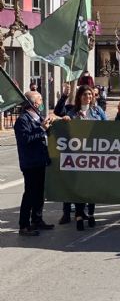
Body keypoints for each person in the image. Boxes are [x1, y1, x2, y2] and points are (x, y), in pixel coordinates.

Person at [59, 85, 107, 230]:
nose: (88, 97)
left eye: (90, 94)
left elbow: (109, 128)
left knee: (91, 187)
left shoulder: (97, 111)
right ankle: (79, 216)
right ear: (80, 96)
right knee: (79, 188)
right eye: (85, 94)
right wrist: (66, 121)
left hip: (93, 156)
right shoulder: (72, 112)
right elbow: (60, 120)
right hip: (77, 156)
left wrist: (119, 114)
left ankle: (91, 214)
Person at [14, 91, 55, 236]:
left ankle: (37, 220)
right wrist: (42, 129)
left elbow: (46, 135)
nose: (42, 102)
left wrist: (49, 126)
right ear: (33, 103)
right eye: (40, 99)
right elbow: (26, 139)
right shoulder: (22, 120)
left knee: (39, 193)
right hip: (30, 162)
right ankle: (24, 225)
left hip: (41, 160)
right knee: (30, 193)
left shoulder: (38, 118)